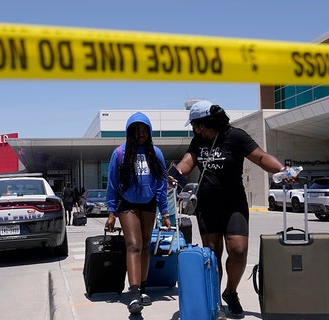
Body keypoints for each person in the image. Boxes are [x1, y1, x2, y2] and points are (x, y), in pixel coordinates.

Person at [169, 100, 288, 319]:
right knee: (212, 255)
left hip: (234, 203)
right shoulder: (198, 141)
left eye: (195, 125)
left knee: (239, 250)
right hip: (208, 205)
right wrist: (174, 175)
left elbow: (261, 157)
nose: (194, 130)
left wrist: (282, 170)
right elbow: (187, 161)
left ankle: (230, 293)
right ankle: (214, 300)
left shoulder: (236, 137)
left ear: (206, 123)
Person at [105, 112, 172, 314]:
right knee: (133, 245)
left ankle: (142, 288)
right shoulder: (119, 153)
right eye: (137, 130)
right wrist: (111, 212)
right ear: (129, 132)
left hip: (149, 204)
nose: (141, 133)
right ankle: (134, 294)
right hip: (127, 204)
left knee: (144, 247)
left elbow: (161, 185)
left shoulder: (156, 153)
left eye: (144, 130)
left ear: (150, 132)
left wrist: (165, 212)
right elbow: (112, 184)